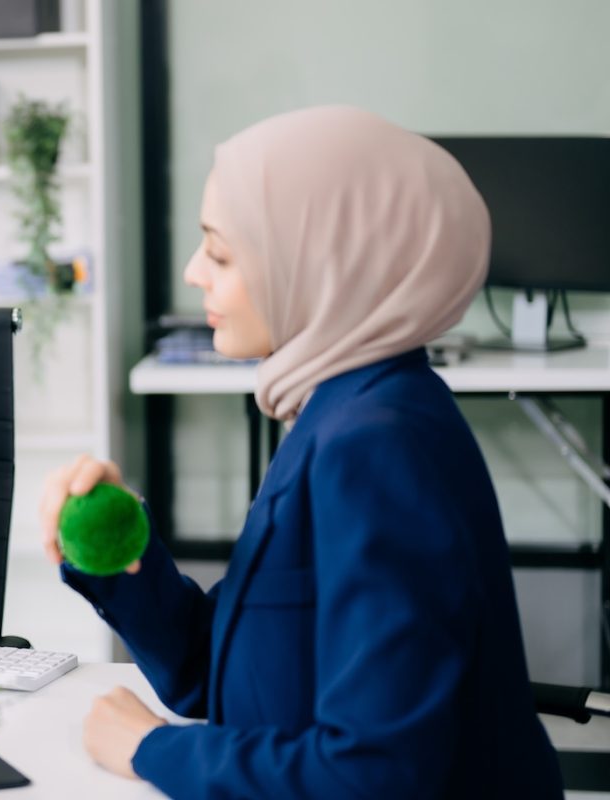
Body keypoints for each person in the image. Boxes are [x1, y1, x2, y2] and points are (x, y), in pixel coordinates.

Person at [41, 106, 563, 797]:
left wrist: (151, 750)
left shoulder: (377, 445)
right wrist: (117, 553)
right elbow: (214, 669)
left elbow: (373, 775)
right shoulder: (336, 412)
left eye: (221, 252)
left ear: (323, 265)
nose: (195, 272)